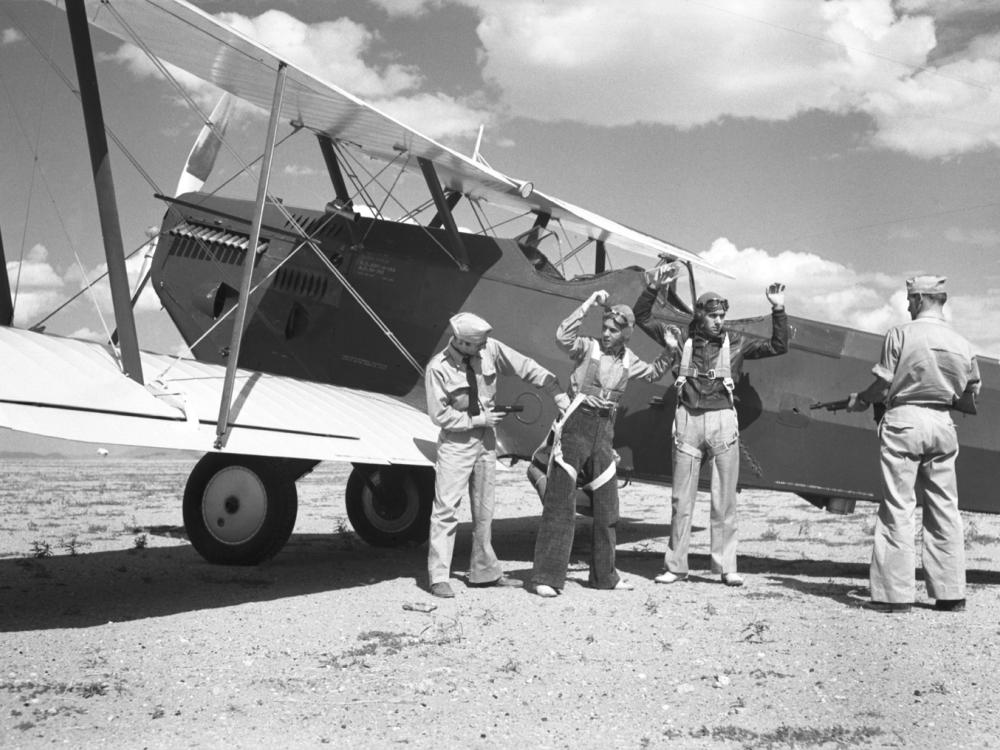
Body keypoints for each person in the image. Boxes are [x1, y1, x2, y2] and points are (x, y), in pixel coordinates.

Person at [634, 263, 788, 587]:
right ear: (700, 315)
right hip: (688, 420)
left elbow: (778, 345)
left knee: (724, 501)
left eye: (722, 316)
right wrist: (652, 288)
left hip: (722, 423)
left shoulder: (739, 341)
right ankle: (675, 566)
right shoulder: (679, 338)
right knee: (681, 500)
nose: (719, 321)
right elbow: (642, 317)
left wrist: (778, 310)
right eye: (713, 315)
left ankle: (726, 567)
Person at [841, 275, 980, 614]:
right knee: (945, 507)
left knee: (898, 506)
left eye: (909, 299)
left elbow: (883, 385)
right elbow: (970, 393)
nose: (906, 305)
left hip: (904, 420)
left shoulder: (900, 334)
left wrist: (860, 400)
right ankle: (950, 594)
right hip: (943, 424)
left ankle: (894, 595)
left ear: (918, 298)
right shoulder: (963, 343)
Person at [530, 290, 674, 597]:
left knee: (608, 508)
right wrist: (589, 303)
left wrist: (670, 351)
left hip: (605, 431)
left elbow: (652, 373)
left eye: (613, 330)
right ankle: (546, 576)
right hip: (576, 425)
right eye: (605, 328)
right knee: (560, 502)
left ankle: (605, 575)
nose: (606, 334)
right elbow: (562, 337)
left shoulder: (629, 359)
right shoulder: (587, 347)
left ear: (626, 334)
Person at [425, 312, 569, 599]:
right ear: (463, 343)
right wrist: (478, 420)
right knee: (445, 510)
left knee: (485, 509)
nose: (484, 348)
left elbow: (524, 366)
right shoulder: (437, 368)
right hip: (457, 443)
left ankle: (484, 572)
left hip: (486, 442)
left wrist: (554, 389)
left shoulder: (488, 347)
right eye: (477, 345)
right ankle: (439, 576)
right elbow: (438, 415)